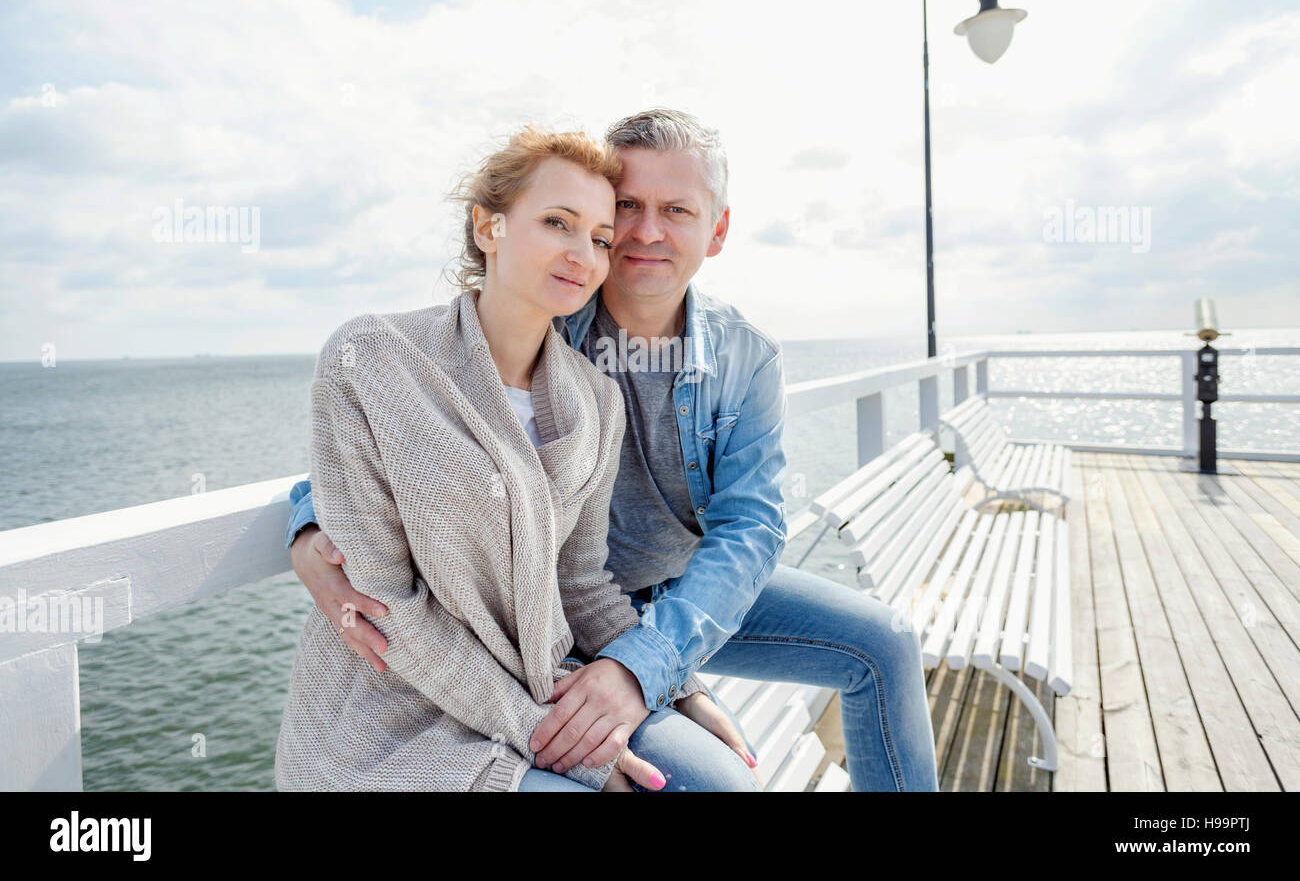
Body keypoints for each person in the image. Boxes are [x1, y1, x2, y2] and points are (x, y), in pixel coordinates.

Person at [287, 108, 940, 791]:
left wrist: (652, 665)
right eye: (627, 207)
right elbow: (394, 425)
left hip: (677, 598)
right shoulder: (546, 308)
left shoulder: (743, 357)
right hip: (559, 612)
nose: (646, 232)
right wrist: (307, 523)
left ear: (716, 231)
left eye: (678, 210)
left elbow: (750, 528)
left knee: (883, 643)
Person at [274, 124, 760, 792]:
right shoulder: (372, 359)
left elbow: (581, 583)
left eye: (596, 238)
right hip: (395, 710)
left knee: (725, 784)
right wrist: (556, 742)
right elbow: (388, 601)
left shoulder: (594, 399)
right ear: (487, 227)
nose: (583, 255)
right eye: (556, 222)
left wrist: (676, 686)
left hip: (536, 677)